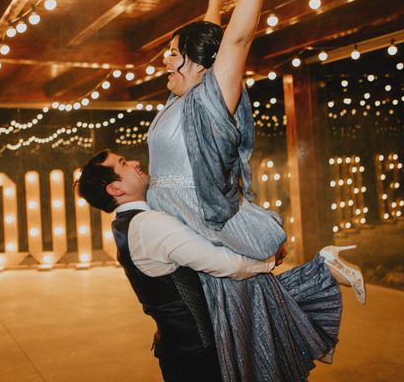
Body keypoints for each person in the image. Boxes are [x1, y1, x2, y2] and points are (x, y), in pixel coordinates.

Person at [146, 0, 364, 381]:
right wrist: (211, 12)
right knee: (245, 304)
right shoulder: (177, 98)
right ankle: (324, 269)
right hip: (186, 224)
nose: (166, 60)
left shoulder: (209, 101)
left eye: (173, 53)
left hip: (206, 219)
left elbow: (234, 43)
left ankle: (320, 275)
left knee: (244, 308)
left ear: (195, 64)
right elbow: (207, 46)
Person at [77, 149, 278, 382]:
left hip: (179, 353)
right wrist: (268, 260)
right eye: (123, 163)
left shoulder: (127, 225)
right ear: (115, 189)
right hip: (196, 360)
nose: (135, 162)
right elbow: (225, 264)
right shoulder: (149, 225)